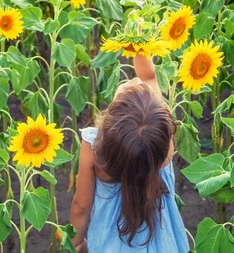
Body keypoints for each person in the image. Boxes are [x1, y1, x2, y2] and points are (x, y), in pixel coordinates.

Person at [70, 49, 190, 253]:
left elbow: (81, 205)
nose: (134, 81)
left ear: (111, 118)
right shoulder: (164, 146)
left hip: (109, 245)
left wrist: (76, 243)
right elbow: (149, 77)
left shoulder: (93, 147)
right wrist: (141, 45)